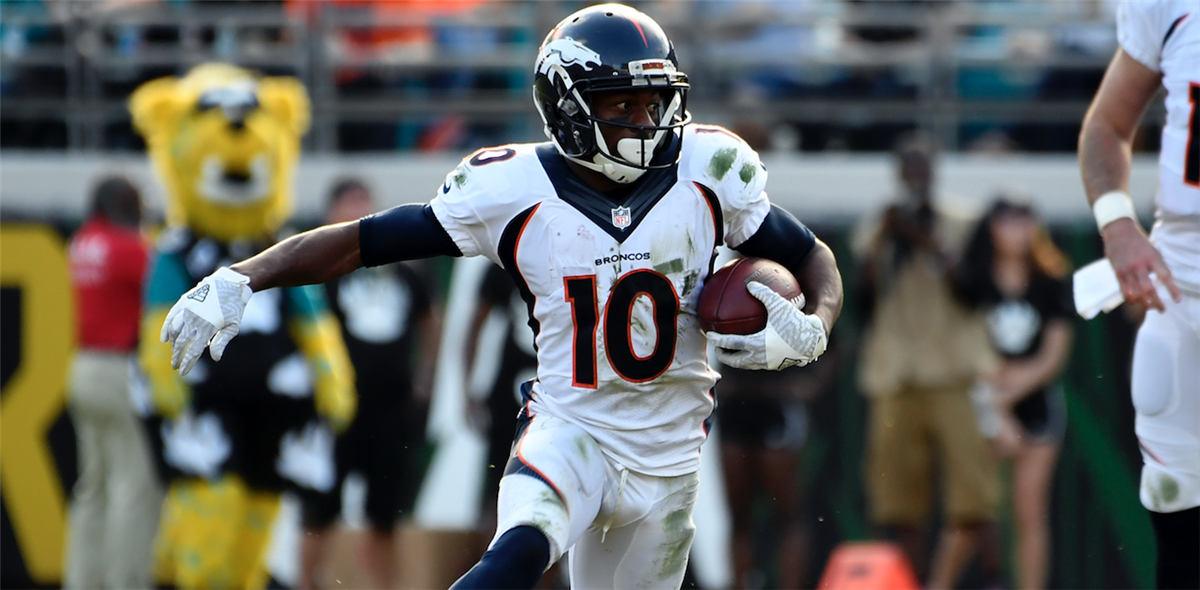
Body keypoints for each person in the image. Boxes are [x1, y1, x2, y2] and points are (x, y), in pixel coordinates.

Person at [155, 4, 844, 590]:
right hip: (572, 429)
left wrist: (816, 322)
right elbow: (363, 240)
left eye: (652, 100)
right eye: (621, 103)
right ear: (567, 109)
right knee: (516, 554)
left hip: (670, 457)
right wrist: (240, 277)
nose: (645, 119)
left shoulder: (710, 168)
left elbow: (814, 257)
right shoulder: (511, 190)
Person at [1078, 1, 1199, 587]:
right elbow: (1105, 126)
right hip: (1184, 276)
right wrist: (1118, 226)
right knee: (1175, 497)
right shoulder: (1171, 7)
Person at [854, 132, 1001, 590]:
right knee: (897, 502)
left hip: (953, 371)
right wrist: (885, 243)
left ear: (934, 172)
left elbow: (978, 293)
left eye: (923, 168)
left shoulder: (964, 222)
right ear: (898, 174)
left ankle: (994, 578)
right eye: (908, 169)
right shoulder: (874, 229)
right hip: (895, 375)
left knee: (974, 497)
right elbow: (862, 304)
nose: (916, 177)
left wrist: (928, 240)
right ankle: (905, 581)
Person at [297, 179, 438, 590]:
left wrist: (426, 378)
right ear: (328, 213)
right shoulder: (316, 268)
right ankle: (306, 581)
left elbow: (431, 321)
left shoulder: (401, 269)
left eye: (364, 201)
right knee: (319, 511)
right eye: (349, 202)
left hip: (391, 409)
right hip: (334, 408)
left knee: (385, 517)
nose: (359, 209)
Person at [955, 199, 1074, 590]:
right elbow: (967, 349)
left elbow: (1052, 355)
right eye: (1008, 219)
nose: (1018, 228)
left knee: (1029, 514)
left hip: (1033, 405)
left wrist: (1009, 395)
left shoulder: (1052, 280)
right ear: (991, 227)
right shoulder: (973, 282)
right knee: (973, 510)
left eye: (1026, 218)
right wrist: (995, 407)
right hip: (980, 404)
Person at [62, 175, 162, 590]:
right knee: (134, 487)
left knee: (93, 488)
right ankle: (127, 582)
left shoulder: (82, 241)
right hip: (121, 369)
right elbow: (163, 283)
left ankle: (82, 580)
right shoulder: (130, 249)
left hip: (83, 366)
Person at [716, 342, 838, 590]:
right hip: (735, 403)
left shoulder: (797, 301)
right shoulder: (712, 300)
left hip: (778, 402)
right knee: (738, 516)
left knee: (788, 515)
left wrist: (812, 383)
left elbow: (834, 341)